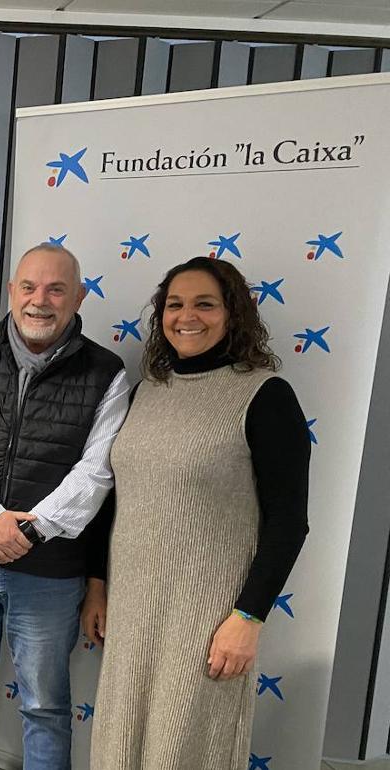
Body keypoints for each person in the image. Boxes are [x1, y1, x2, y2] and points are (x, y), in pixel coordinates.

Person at [83, 257, 309, 770]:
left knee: (183, 751)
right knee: (118, 749)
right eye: (175, 304)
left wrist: (247, 618)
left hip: (208, 618)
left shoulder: (264, 395)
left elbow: (289, 520)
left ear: (232, 313)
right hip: (133, 610)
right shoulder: (148, 390)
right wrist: (97, 585)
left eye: (205, 304)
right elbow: (115, 497)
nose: (188, 316)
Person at [0, 242, 131, 770]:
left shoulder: (107, 372)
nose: (41, 300)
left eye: (57, 289)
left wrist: (31, 532)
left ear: (79, 296)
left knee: (43, 703)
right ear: (12, 291)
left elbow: (97, 470)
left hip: (50, 571)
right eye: (30, 287)